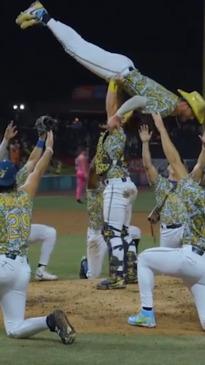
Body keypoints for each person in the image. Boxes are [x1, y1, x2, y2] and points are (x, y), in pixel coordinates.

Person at [16, 2, 205, 124]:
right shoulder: (168, 107)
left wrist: (124, 112)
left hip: (124, 68)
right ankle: (42, 15)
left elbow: (138, 98)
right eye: (193, 115)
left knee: (78, 47)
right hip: (120, 70)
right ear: (186, 106)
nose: (190, 119)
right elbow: (140, 100)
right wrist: (118, 115)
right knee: (75, 48)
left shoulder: (171, 102)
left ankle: (42, 18)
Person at [128, 113, 205, 330]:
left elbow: (175, 159)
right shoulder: (189, 189)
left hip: (191, 257)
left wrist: (161, 129)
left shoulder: (193, 193)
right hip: (203, 266)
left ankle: (146, 314)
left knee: (144, 259)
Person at [0, 130, 76, 343]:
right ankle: (50, 321)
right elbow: (38, 167)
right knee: (14, 328)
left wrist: (6, 141)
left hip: (2, 266)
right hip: (21, 270)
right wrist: (49, 147)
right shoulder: (25, 194)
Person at [0, 123, 58, 281]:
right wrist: (49, 148)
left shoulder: (17, 179)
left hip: (9, 239)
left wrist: (40, 140)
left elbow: (32, 160)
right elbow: (36, 166)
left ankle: (41, 271)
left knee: (49, 233)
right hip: (17, 235)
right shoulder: (22, 189)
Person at [138, 123, 205, 248]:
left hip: (187, 230)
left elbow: (200, 165)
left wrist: (204, 147)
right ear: (167, 168)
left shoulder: (189, 183)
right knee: (167, 267)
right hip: (167, 232)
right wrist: (145, 143)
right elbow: (147, 166)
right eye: (171, 164)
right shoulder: (161, 184)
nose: (173, 165)